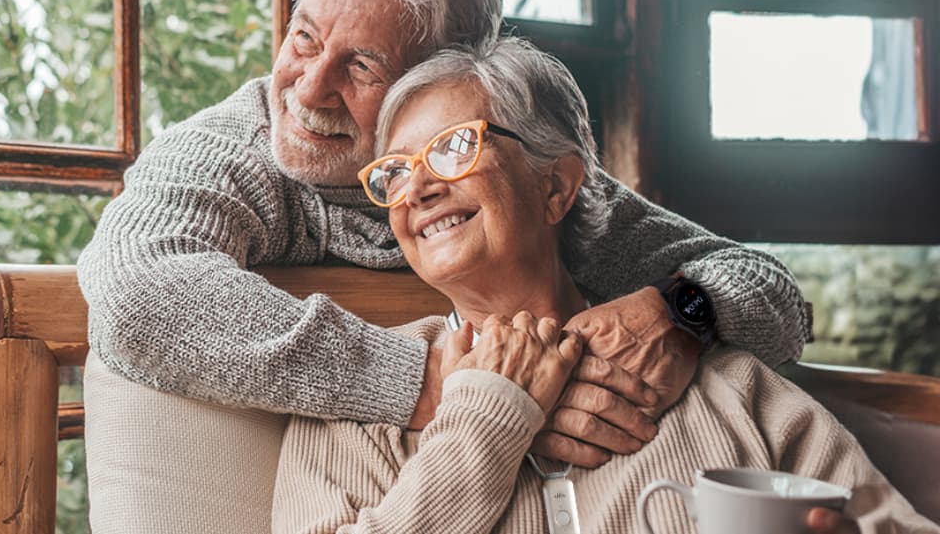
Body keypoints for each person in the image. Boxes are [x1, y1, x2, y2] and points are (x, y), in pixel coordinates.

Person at [77, 0, 810, 531]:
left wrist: (685, 310)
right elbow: (138, 295)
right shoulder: (229, 149)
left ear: (435, 87)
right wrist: (439, 381)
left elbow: (768, 287)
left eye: (361, 66)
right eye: (304, 38)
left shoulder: (518, 180)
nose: (306, 89)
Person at [272, 37, 935, 534]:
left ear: (555, 185)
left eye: (452, 147)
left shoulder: (733, 388)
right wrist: (486, 418)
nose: (416, 187)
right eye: (394, 171)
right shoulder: (353, 409)